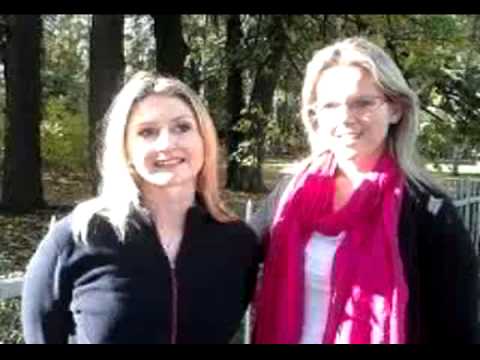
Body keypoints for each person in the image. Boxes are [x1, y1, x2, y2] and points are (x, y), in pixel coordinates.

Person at [248, 37, 478, 344]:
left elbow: (457, 328)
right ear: (314, 115)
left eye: (363, 103)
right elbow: (230, 256)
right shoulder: (291, 194)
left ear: (395, 110)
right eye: (330, 105)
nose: (345, 117)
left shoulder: (429, 212)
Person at [21, 71, 260, 344]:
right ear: (126, 149)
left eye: (182, 127)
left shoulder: (238, 243)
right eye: (147, 132)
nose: (167, 144)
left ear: (204, 139)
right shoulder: (76, 239)